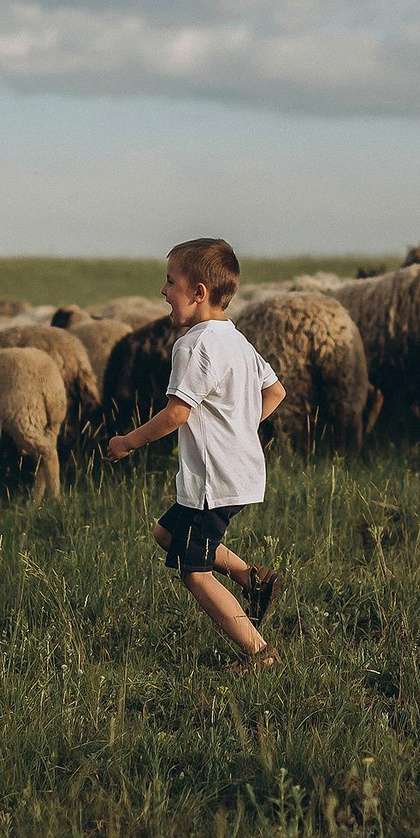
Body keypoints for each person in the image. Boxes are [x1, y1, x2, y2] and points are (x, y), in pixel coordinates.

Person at [104, 237, 286, 668]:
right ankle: (254, 579)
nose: (164, 291)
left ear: (198, 292)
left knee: (194, 572)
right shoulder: (237, 340)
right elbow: (276, 391)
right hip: (238, 474)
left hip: (213, 480)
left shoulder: (193, 345)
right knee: (166, 533)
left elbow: (176, 415)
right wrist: (241, 428)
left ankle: (258, 652)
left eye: (170, 282)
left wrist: (128, 442)